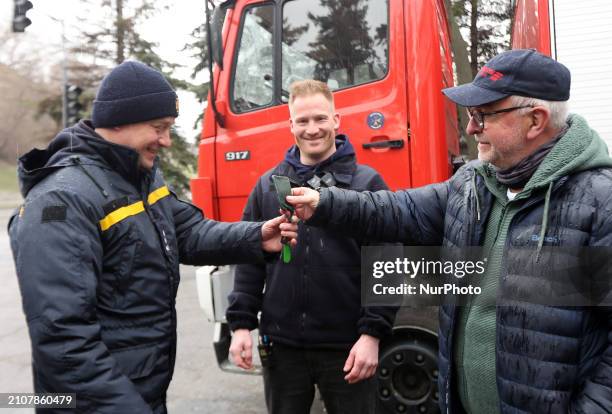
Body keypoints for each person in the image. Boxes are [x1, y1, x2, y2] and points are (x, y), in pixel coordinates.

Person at [286, 49, 612, 413]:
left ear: (534, 121)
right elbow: (398, 209)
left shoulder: (599, 202)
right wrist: (324, 203)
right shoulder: (473, 182)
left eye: (483, 116)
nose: (471, 128)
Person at [8, 60, 297, 414]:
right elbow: (65, 342)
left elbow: (187, 233)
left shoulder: (139, 176)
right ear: (120, 120)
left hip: (139, 391)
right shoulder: (61, 202)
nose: (166, 140)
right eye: (158, 127)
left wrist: (255, 237)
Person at [226, 79, 396, 414]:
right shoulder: (269, 186)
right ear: (290, 125)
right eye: (302, 121)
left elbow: (386, 264)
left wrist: (372, 335)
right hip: (282, 348)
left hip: (348, 348)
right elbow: (248, 260)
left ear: (336, 121)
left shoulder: (368, 185)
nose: (312, 129)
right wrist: (241, 326)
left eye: (320, 118)